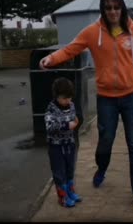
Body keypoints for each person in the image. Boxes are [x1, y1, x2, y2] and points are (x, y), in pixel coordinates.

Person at [39, 0, 133, 211]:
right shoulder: (93, 32)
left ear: (122, 8)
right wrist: (51, 58)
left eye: (116, 7)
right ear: (103, 9)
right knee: (105, 144)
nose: (112, 12)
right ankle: (102, 168)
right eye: (108, 8)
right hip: (106, 99)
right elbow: (71, 49)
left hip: (131, 97)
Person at [45, 77, 82, 208]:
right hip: (56, 147)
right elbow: (49, 127)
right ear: (57, 96)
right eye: (64, 98)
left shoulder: (71, 105)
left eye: (70, 98)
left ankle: (70, 191)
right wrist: (67, 125)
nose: (68, 101)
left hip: (69, 144)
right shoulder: (51, 109)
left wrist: (77, 122)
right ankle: (62, 197)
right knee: (59, 172)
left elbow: (75, 118)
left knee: (70, 169)